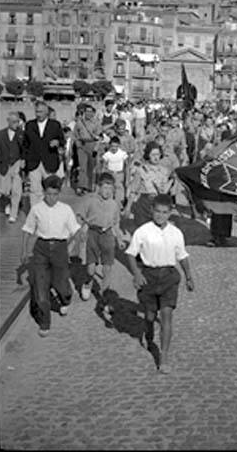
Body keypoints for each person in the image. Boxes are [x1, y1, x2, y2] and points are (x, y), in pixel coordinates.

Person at [126, 194, 194, 374]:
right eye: (157, 211)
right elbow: (131, 254)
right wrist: (137, 273)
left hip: (169, 277)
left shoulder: (176, 233)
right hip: (148, 276)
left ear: (170, 213)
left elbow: (182, 256)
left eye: (165, 212)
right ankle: (148, 334)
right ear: (151, 210)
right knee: (149, 315)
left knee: (166, 315)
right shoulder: (143, 231)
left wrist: (188, 276)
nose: (160, 215)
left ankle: (163, 356)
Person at [20, 175, 81, 337]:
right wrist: (25, 252)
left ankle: (65, 298)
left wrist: (75, 246)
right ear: (43, 193)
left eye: (54, 194)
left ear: (59, 193)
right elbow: (27, 230)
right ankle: (45, 321)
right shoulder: (37, 209)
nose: (51, 198)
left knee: (60, 283)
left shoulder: (65, 210)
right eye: (48, 194)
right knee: (41, 287)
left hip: (60, 249)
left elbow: (76, 231)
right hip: (41, 249)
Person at [76, 172, 130, 301]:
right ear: (98, 187)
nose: (107, 191)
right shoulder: (90, 201)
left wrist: (119, 239)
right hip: (93, 234)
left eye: (110, 188)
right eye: (105, 187)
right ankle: (88, 282)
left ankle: (105, 293)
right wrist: (82, 228)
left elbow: (116, 223)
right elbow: (80, 216)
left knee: (107, 267)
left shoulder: (114, 205)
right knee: (91, 268)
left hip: (107, 235)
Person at [22, 100, 65, 207]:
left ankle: (50, 211)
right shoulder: (29, 125)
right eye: (36, 112)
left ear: (46, 112)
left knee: (50, 189)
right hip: (33, 162)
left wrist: (57, 142)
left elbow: (62, 141)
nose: (38, 114)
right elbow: (25, 144)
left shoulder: (55, 125)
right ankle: (35, 213)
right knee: (34, 190)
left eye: (41, 112)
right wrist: (23, 159)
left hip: (49, 161)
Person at [124, 142, 174, 228]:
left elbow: (164, 191)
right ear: (148, 155)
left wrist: (172, 180)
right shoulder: (141, 170)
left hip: (158, 204)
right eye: (153, 154)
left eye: (158, 154)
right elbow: (133, 190)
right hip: (144, 204)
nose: (156, 157)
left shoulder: (164, 171)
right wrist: (128, 207)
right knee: (143, 231)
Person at [0, 112, 25, 223]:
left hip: (16, 163)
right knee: (4, 190)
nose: (16, 124)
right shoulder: (0, 134)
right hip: (3, 164)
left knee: (16, 190)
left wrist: (23, 160)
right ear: (8, 121)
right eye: (13, 121)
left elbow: (25, 149)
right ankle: (7, 202)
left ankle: (13, 214)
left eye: (17, 121)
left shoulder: (21, 134)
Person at [73, 104, 102, 195]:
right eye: (87, 111)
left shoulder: (96, 123)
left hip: (92, 145)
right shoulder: (79, 122)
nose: (89, 113)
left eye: (91, 112)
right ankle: (81, 186)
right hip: (82, 145)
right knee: (82, 167)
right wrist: (77, 142)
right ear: (84, 112)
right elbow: (75, 134)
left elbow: (99, 137)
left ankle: (88, 186)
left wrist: (96, 148)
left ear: (94, 113)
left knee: (90, 167)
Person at [101, 136, 128, 209]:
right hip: (110, 173)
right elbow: (104, 165)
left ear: (118, 145)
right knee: (110, 188)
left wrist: (126, 175)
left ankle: (118, 205)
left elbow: (127, 164)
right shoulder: (107, 154)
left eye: (116, 146)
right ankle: (109, 204)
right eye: (112, 146)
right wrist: (103, 174)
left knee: (119, 189)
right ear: (110, 145)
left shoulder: (122, 153)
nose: (114, 148)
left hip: (119, 174)